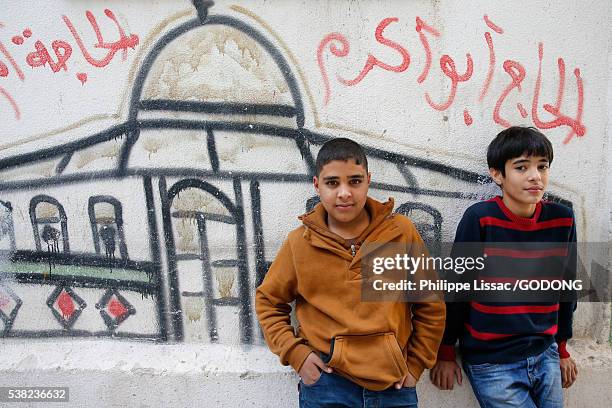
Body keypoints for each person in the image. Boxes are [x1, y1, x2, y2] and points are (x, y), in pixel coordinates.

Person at [256, 137, 446, 407]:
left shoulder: (400, 233)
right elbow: (268, 301)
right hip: (327, 385)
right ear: (317, 185)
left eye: (355, 181)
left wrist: (416, 364)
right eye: (332, 183)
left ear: (368, 181)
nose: (344, 193)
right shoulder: (300, 243)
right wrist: (295, 353)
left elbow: (431, 303)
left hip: (394, 384)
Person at [430, 126, 578, 407]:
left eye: (542, 166)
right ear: (497, 174)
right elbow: (458, 288)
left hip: (544, 354)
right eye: (521, 167)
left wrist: (561, 348)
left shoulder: (562, 219)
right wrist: (446, 351)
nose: (535, 176)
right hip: (492, 360)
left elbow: (566, 287)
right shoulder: (481, 219)